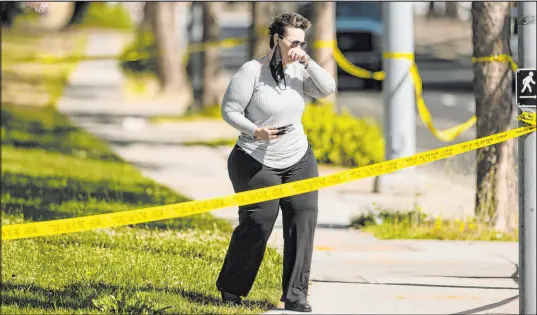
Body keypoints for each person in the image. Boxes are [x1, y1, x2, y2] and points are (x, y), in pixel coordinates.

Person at [216, 12, 336, 313]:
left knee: (303, 220)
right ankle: (232, 288)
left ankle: (296, 295)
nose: (298, 47)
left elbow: (326, 89)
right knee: (258, 222)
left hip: (298, 158)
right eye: (293, 41)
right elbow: (229, 110)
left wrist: (307, 62)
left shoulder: (298, 70)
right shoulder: (251, 71)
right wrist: (255, 130)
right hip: (255, 160)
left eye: (303, 43)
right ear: (276, 39)